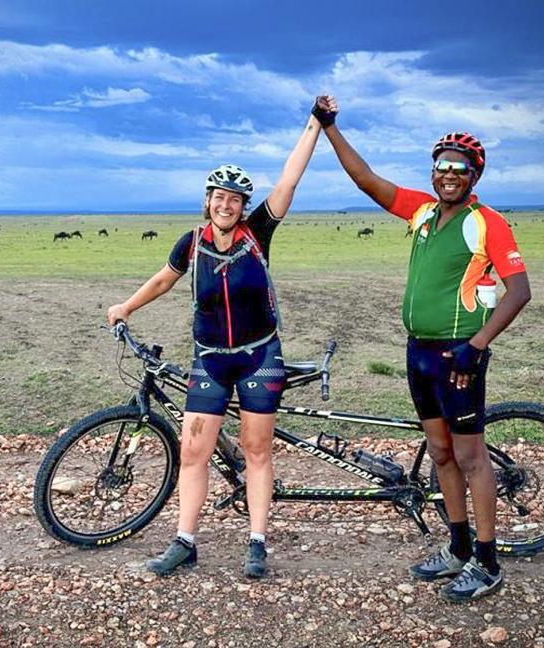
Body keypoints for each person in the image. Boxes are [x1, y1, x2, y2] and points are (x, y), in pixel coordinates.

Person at [315, 96, 531, 602]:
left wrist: (477, 347)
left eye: (459, 167)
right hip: (419, 354)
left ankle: (488, 561)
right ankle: (456, 547)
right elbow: (366, 180)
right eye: (441, 166)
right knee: (439, 453)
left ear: (474, 175)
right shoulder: (422, 211)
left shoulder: (488, 223)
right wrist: (329, 128)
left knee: (471, 456)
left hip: (460, 356)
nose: (448, 173)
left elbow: (519, 291)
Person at [106, 106, 326, 578]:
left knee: (256, 449)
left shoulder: (258, 234)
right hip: (210, 359)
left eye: (235, 200)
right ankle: (185, 541)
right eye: (219, 197)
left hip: (260, 356)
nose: (227, 205)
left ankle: (257, 542)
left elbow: (288, 182)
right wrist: (126, 306)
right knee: (193, 451)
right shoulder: (191, 243)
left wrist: (315, 124)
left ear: (244, 207)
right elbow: (165, 280)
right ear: (207, 201)